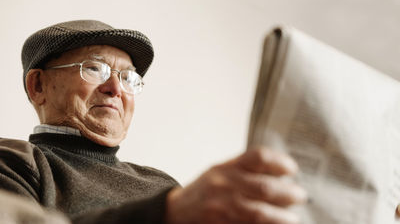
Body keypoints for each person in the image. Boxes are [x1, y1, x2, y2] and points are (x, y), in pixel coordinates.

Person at [0, 20, 307, 224]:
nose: (116, 89)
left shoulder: (162, 183)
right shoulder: (15, 162)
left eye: (128, 77)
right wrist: (167, 212)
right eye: (95, 69)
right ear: (38, 86)